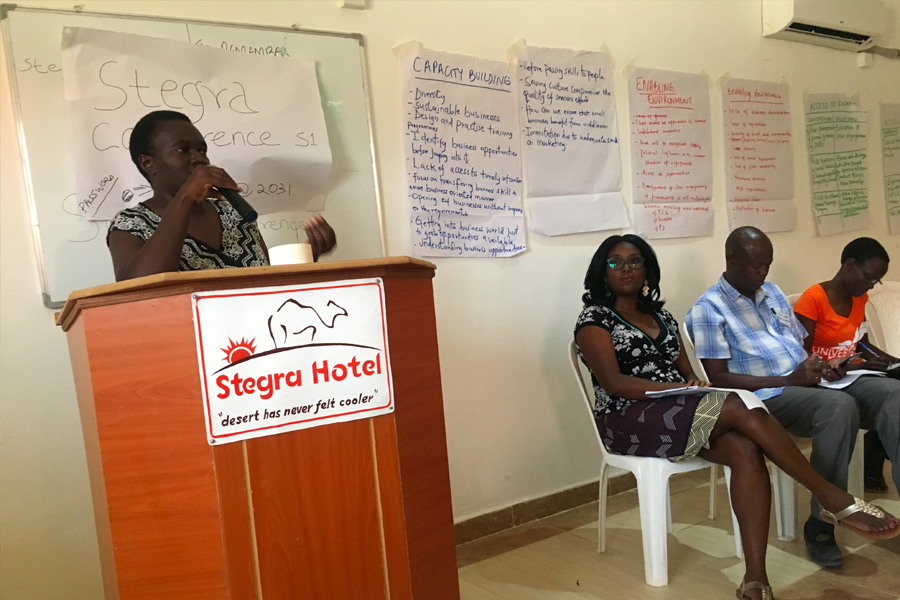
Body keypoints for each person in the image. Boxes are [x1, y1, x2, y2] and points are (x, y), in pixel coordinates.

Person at [576, 234, 898, 600]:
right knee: (736, 402)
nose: (626, 269)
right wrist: (680, 390)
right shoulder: (594, 319)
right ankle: (830, 496)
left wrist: (691, 384)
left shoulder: (660, 316)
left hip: (676, 410)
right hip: (626, 418)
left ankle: (755, 579)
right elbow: (614, 384)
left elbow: (686, 371)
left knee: (745, 447)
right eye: (615, 262)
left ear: (647, 269)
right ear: (603, 271)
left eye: (635, 261)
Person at [685, 226, 900, 570]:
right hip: (765, 396)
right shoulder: (709, 309)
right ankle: (822, 523)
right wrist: (790, 379)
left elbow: (799, 346)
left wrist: (823, 365)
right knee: (838, 407)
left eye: (767, 264)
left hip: (809, 382)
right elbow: (719, 379)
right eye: (756, 265)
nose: (763, 272)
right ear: (731, 258)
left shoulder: (771, 293)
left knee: (894, 395)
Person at [107, 110, 336, 281]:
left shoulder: (232, 213)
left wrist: (308, 254)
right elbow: (136, 289)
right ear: (148, 163)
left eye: (202, 150)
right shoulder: (130, 224)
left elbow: (267, 281)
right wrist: (185, 198)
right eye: (183, 150)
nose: (199, 158)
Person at [793, 237, 899, 494]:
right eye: (870, 278)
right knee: (891, 395)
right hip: (823, 380)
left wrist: (891, 362)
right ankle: (870, 468)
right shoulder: (813, 299)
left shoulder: (859, 298)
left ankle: (873, 463)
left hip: (851, 374)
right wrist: (835, 366)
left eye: (876, 281)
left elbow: (862, 343)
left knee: (896, 390)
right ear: (851, 265)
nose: (871, 285)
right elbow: (800, 353)